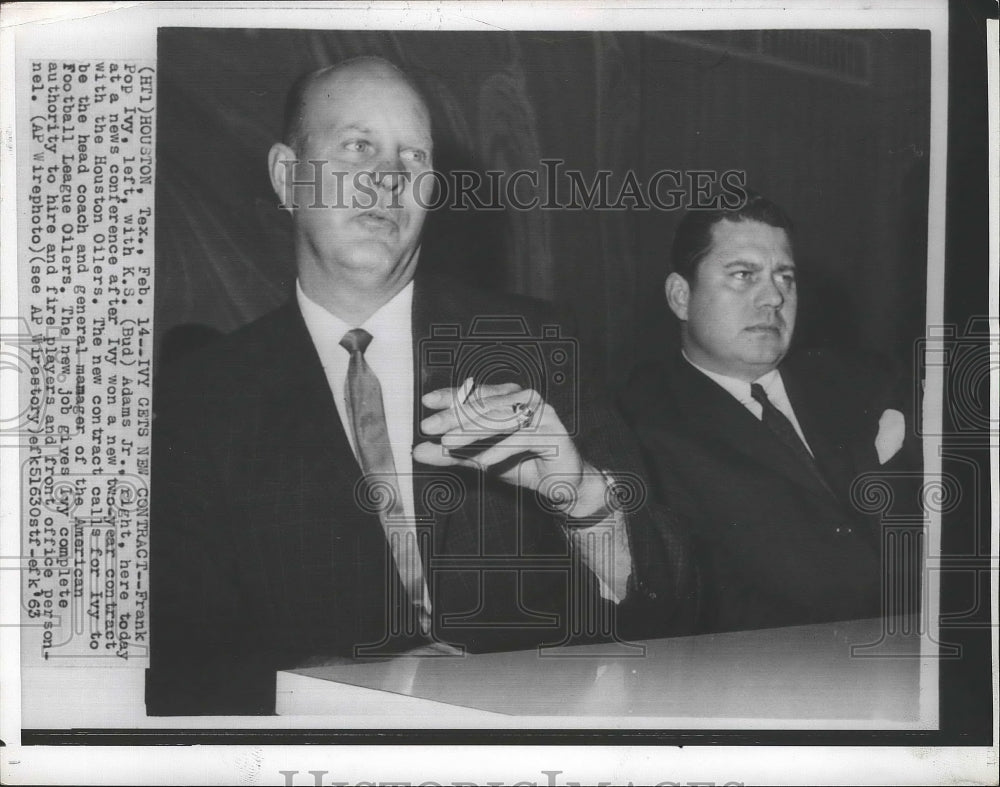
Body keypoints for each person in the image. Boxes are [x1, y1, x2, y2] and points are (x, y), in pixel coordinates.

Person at [146, 57, 696, 715]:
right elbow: (172, 666)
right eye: (358, 146)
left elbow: (675, 607)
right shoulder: (197, 401)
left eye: (414, 157)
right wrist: (340, 687)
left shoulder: (533, 343)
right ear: (288, 177)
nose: (389, 178)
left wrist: (581, 494)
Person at [621, 194, 920, 634]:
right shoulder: (644, 428)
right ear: (680, 297)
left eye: (785, 277)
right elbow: (701, 608)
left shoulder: (868, 379)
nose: (774, 297)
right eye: (744, 276)